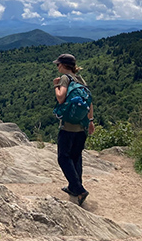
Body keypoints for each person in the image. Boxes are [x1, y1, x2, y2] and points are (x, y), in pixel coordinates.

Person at [53, 53, 95, 206]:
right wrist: (90, 121)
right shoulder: (81, 80)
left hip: (68, 126)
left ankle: (79, 189)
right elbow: (89, 101)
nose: (57, 67)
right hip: (82, 125)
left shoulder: (65, 78)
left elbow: (61, 97)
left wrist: (56, 86)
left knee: (63, 157)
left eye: (58, 64)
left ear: (64, 66)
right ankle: (73, 187)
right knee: (76, 156)